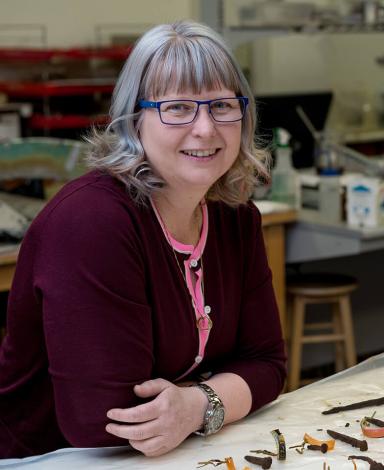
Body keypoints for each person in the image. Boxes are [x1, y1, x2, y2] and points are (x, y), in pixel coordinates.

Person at [0, 20, 286, 459]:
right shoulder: (93, 223)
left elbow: (268, 366)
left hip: (171, 451)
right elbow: (106, 418)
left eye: (223, 106)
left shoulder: (236, 218)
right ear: (135, 119)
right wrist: (221, 391)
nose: (206, 128)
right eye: (177, 108)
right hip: (51, 458)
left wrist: (195, 404)